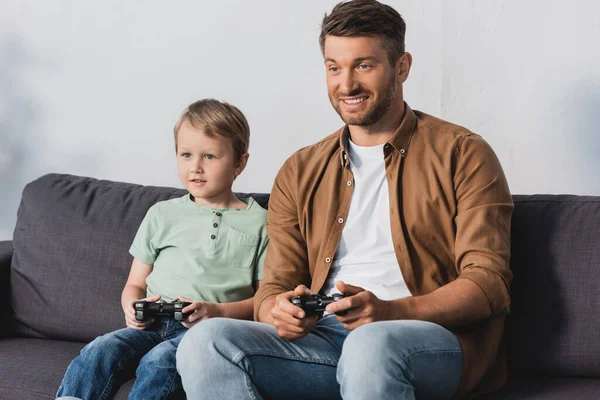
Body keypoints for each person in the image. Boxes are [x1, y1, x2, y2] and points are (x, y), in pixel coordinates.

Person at [176, 1, 513, 398]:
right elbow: (274, 287)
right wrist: (278, 312)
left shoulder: (464, 153)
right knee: (207, 340)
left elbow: (487, 283)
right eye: (334, 68)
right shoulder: (300, 170)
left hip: (425, 339)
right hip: (325, 337)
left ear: (401, 67)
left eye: (364, 65)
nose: (346, 84)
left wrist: (393, 312)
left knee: (370, 344)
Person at [55, 99, 268, 400]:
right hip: (151, 323)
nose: (195, 167)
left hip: (204, 334)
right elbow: (135, 283)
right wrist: (132, 307)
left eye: (209, 156)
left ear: (239, 163)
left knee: (159, 363)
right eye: (186, 155)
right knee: (99, 350)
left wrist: (217, 311)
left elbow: (264, 298)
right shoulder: (162, 214)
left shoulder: (261, 222)